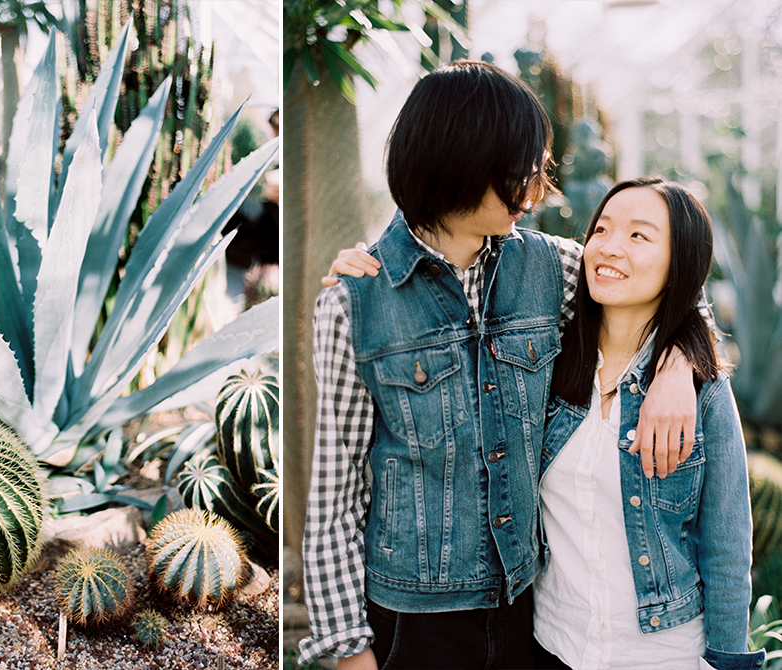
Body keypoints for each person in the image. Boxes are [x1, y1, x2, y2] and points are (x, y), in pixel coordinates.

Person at [298, 60, 699, 670]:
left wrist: (676, 365)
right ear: (463, 162)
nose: (538, 193)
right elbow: (335, 497)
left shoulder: (550, 269)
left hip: (526, 615)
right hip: (413, 624)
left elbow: (670, 284)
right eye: (523, 173)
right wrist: (349, 650)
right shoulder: (353, 305)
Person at [532, 177, 763, 670]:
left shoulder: (703, 392)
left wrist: (726, 662)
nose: (610, 247)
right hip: (553, 644)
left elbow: (726, 548)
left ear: (679, 264)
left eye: (639, 236)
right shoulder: (548, 366)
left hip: (664, 655)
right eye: (602, 230)